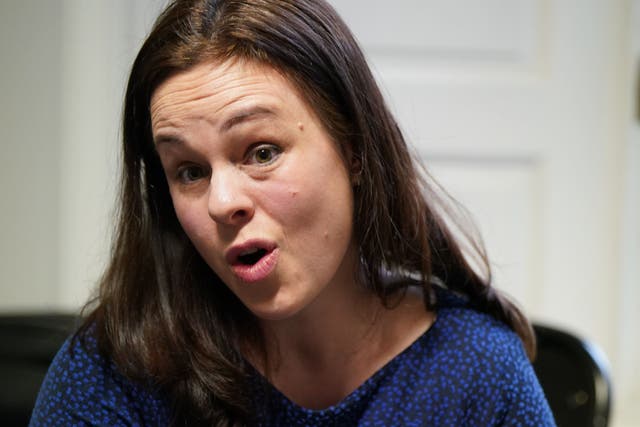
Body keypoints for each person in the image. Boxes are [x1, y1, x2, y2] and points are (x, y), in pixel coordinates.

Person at [30, 0, 555, 426]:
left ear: (354, 148)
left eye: (262, 152)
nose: (221, 202)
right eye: (189, 171)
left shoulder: (479, 375)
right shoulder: (116, 368)